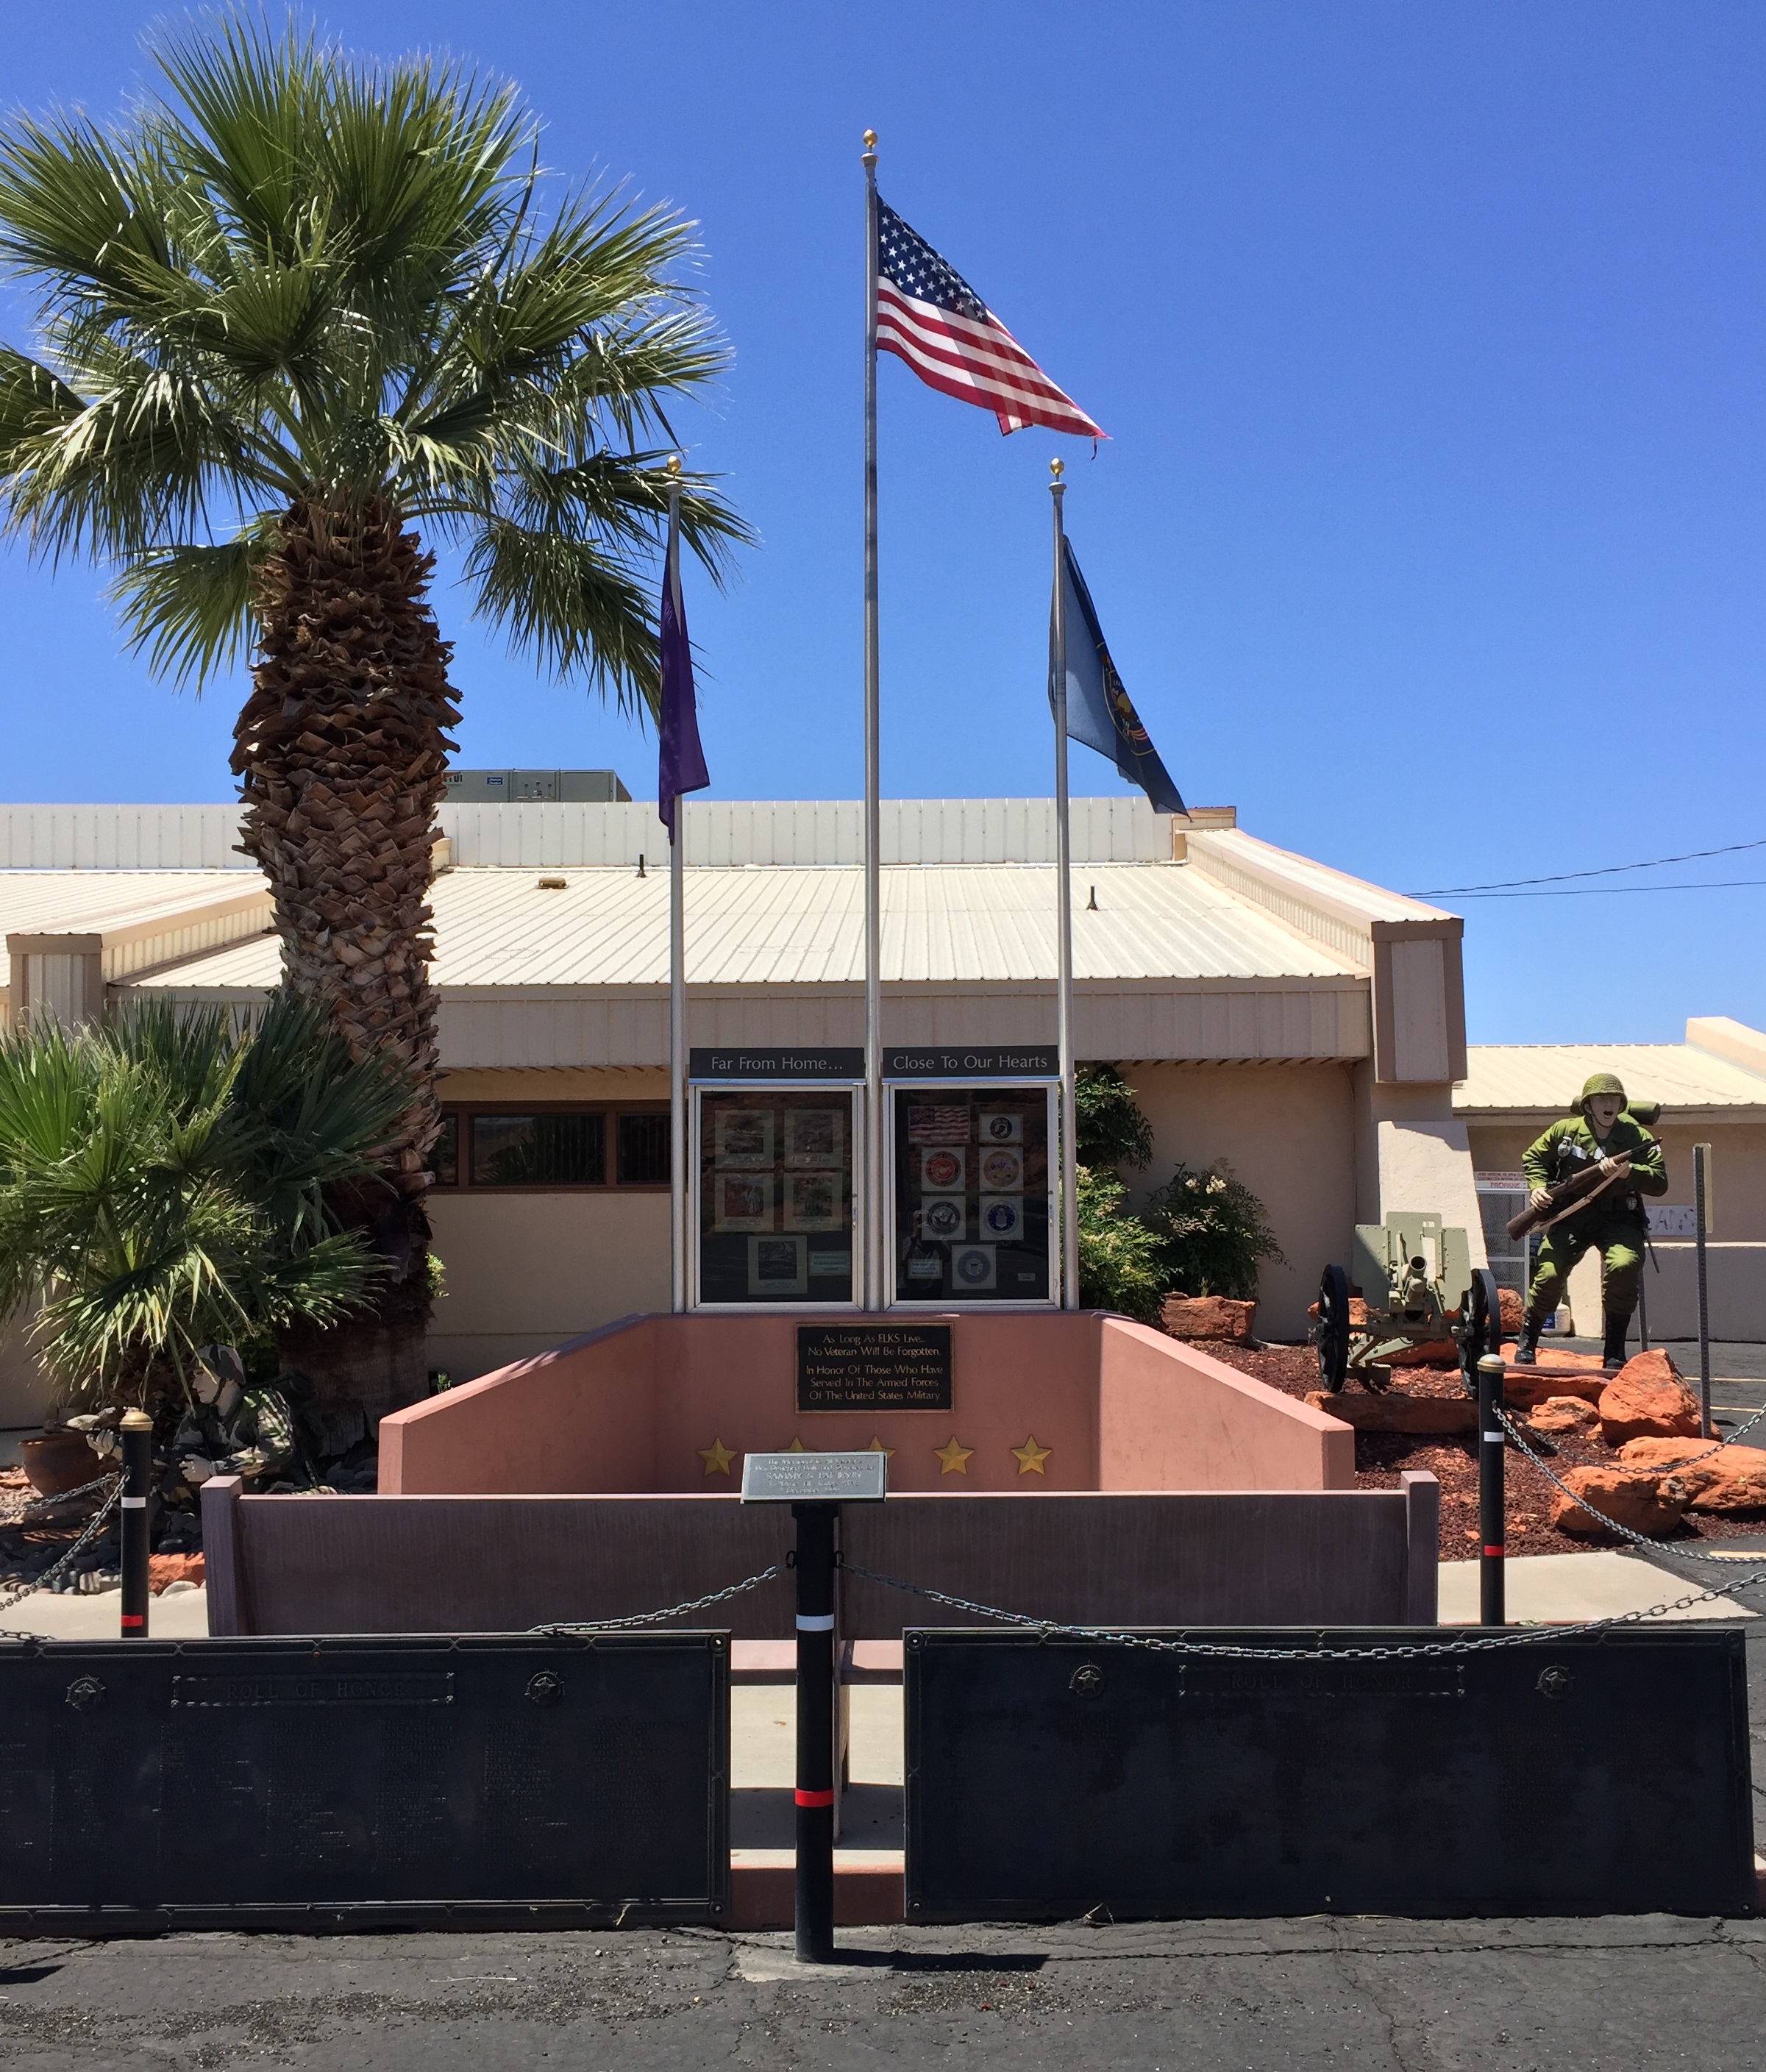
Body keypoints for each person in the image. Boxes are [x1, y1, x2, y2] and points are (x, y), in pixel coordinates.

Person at [1515, 1074, 1667, 1368]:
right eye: (1601, 1099)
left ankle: (1614, 1351)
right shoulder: (1566, 1131)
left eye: (1613, 1099)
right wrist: (1537, 1187)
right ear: (1588, 1105)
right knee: (1548, 1273)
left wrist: (1629, 1172)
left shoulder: (1638, 1136)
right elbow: (1534, 1158)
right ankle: (1527, 1342)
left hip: (1620, 1216)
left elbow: (1660, 1182)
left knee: (1624, 1265)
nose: (1608, 1104)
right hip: (1573, 1214)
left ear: (1622, 1104)